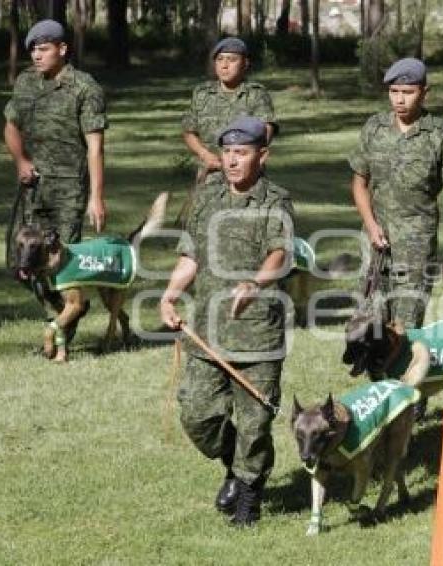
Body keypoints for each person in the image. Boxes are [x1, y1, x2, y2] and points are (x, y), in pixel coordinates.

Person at [160, 116, 294, 527]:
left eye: (242, 152)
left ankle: (249, 500)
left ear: (262, 155)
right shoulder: (207, 196)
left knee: (255, 423)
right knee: (197, 414)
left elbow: (279, 253)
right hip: (206, 331)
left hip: (257, 333)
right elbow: (191, 255)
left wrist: (255, 282)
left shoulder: (275, 199)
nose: (233, 161)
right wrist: (169, 293)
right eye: (227, 153)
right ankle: (237, 466)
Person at [348, 57, 443, 329]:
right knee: (368, 326)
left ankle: (404, 372)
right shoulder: (375, 128)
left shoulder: (440, 136)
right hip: (375, 245)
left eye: (408, 92)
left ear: (425, 92)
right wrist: (370, 225)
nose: (399, 100)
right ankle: (378, 374)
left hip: (416, 249)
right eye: (394, 92)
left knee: (405, 328)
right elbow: (359, 183)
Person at [4, 19, 107, 313]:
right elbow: (11, 126)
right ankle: (65, 308)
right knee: (21, 262)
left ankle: (62, 331)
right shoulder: (25, 82)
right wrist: (21, 161)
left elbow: (96, 147)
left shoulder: (85, 88)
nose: (37, 55)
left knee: (62, 264)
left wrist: (96, 197)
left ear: (62, 49)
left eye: (44, 49)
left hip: (69, 191)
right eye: (33, 49)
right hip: (33, 188)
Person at [182, 37, 276, 186]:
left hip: (247, 176)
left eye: (232, 60)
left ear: (245, 64)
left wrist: (248, 158)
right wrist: (205, 155)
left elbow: (266, 130)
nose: (225, 65)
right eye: (220, 60)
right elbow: (189, 131)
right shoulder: (202, 94)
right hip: (210, 174)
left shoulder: (256, 94)